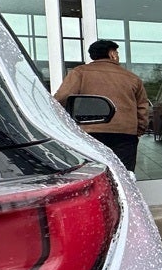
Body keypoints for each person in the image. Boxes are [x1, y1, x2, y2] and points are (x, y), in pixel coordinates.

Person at [54, 40, 149, 172]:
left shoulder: (79, 72)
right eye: (117, 52)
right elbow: (142, 108)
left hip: (89, 132)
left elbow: (61, 98)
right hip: (124, 134)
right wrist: (138, 131)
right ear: (112, 54)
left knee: (91, 173)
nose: (118, 55)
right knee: (124, 174)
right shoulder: (131, 77)